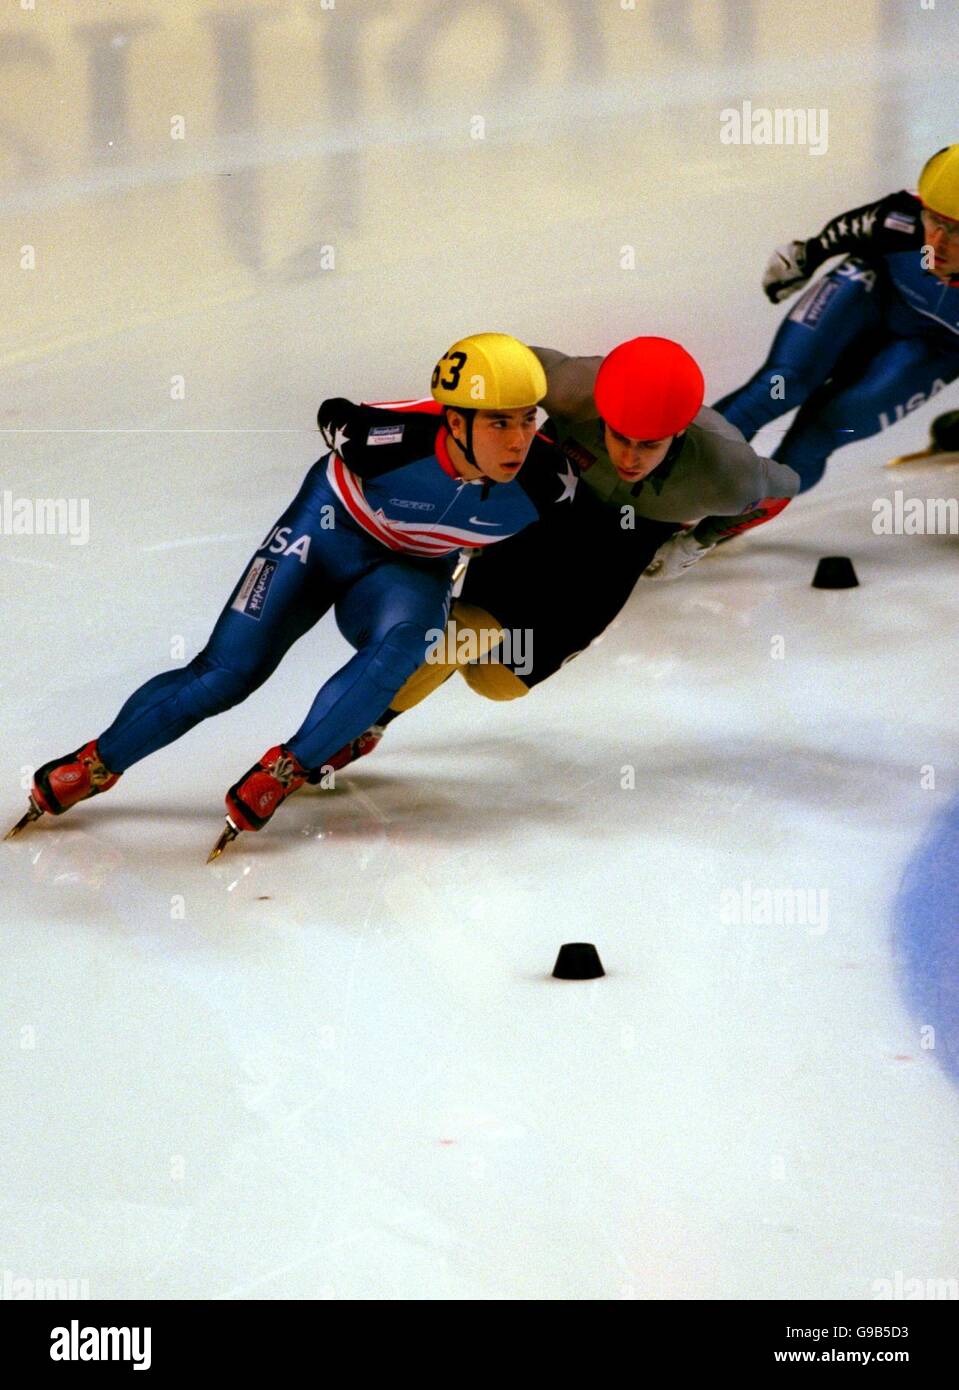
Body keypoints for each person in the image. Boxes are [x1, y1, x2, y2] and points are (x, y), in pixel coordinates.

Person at [6, 334, 589, 858]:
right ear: (454, 422)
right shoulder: (388, 440)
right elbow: (333, 413)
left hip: (408, 570)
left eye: (527, 420)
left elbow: (563, 558)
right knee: (228, 673)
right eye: (499, 423)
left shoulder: (549, 483)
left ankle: (287, 768)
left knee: (407, 642)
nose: (519, 440)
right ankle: (96, 762)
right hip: (327, 530)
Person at [316, 335, 800, 773]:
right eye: (618, 436)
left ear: (677, 436)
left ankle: (429, 663)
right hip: (552, 498)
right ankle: (362, 724)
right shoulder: (572, 386)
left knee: (495, 680)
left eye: (647, 445)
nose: (628, 457)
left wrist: (698, 541)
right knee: (467, 630)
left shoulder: (727, 474)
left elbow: (783, 490)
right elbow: (485, 378)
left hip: (618, 547)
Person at [713, 144, 959, 492]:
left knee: (826, 428)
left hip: (939, 345)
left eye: (957, 230)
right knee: (780, 385)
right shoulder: (899, 219)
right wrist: (805, 258)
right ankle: (669, 477)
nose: (937, 242)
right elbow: (834, 237)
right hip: (874, 291)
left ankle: (734, 516)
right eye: (934, 219)